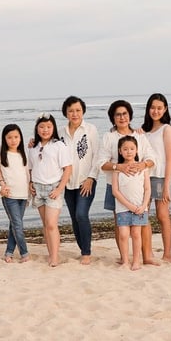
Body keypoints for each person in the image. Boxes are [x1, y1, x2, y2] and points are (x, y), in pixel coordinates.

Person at [99, 100, 156, 261]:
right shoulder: (109, 137)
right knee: (120, 222)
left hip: (139, 187)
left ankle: (147, 256)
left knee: (143, 221)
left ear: (130, 115)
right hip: (115, 186)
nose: (122, 117)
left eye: (125, 114)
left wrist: (142, 165)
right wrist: (119, 167)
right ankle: (124, 257)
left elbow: (152, 158)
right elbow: (101, 163)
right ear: (113, 118)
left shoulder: (139, 136)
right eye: (118, 115)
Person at [60, 96, 101, 265]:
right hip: (67, 183)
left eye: (77, 110)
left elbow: (98, 156)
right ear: (66, 113)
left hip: (86, 181)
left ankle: (86, 252)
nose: (74, 114)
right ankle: (82, 247)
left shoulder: (90, 129)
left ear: (83, 111)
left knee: (81, 214)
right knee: (73, 217)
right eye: (71, 111)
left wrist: (91, 178)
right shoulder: (60, 132)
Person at [29, 113, 72, 267]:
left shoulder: (59, 145)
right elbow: (31, 168)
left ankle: (55, 256)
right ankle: (50, 253)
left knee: (52, 224)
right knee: (45, 224)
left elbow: (68, 169)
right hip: (38, 189)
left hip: (54, 188)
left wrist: (59, 189)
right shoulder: (33, 147)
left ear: (53, 128)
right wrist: (30, 184)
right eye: (41, 127)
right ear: (37, 129)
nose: (45, 130)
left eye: (48, 127)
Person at [0, 123, 31, 263]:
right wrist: (0, 188)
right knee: (17, 225)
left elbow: (27, 174)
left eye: (16, 137)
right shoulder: (1, 154)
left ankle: (9, 252)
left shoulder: (23, 153)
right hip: (9, 196)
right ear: (5, 139)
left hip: (23, 196)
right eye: (10, 137)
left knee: (14, 225)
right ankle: (24, 253)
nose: (13, 140)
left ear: (20, 138)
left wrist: (30, 193)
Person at [140, 92, 171, 262]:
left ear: (165, 109)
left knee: (162, 215)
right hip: (144, 177)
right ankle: (148, 252)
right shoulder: (144, 129)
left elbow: (170, 158)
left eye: (159, 108)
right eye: (153, 108)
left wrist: (168, 185)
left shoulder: (166, 129)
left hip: (161, 177)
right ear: (148, 109)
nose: (155, 111)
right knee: (144, 214)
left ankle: (167, 253)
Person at [111, 135, 151, 270]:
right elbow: (115, 191)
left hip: (140, 208)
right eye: (125, 149)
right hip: (123, 208)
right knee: (123, 234)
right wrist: (130, 206)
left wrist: (144, 205)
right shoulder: (117, 170)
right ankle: (125, 261)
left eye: (132, 149)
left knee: (136, 234)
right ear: (120, 151)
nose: (129, 151)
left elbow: (147, 189)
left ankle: (136, 261)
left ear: (137, 150)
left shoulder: (143, 168)